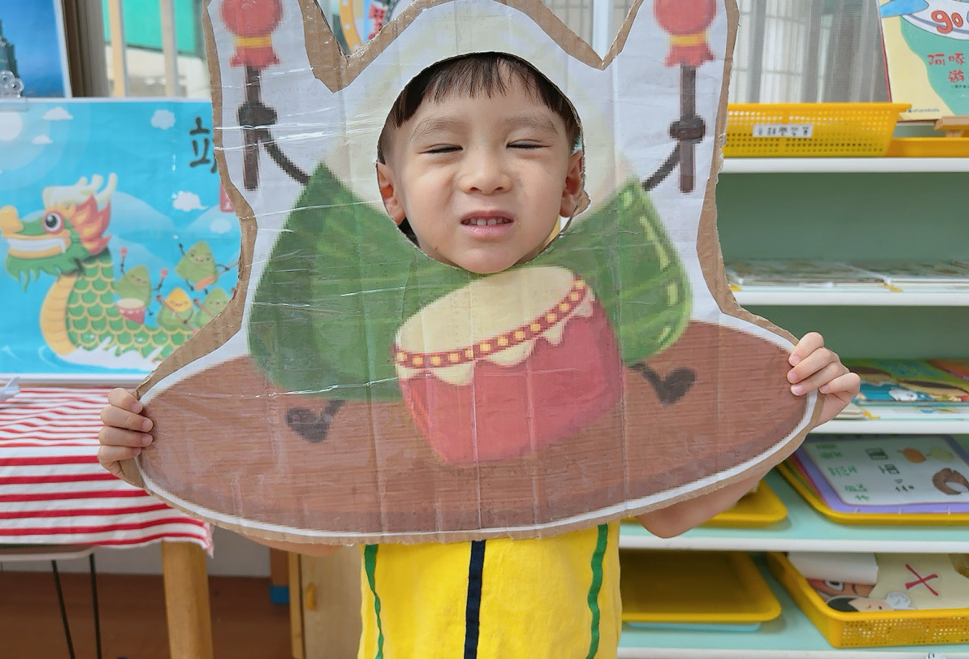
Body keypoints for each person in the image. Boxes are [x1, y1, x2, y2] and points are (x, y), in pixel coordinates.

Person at [99, 53, 860, 658]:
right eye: (443, 147)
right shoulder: (370, 353)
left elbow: (669, 511)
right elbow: (309, 524)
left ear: (571, 180)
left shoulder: (597, 339)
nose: (486, 173)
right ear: (390, 191)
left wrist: (790, 418)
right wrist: (157, 459)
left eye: (523, 144)